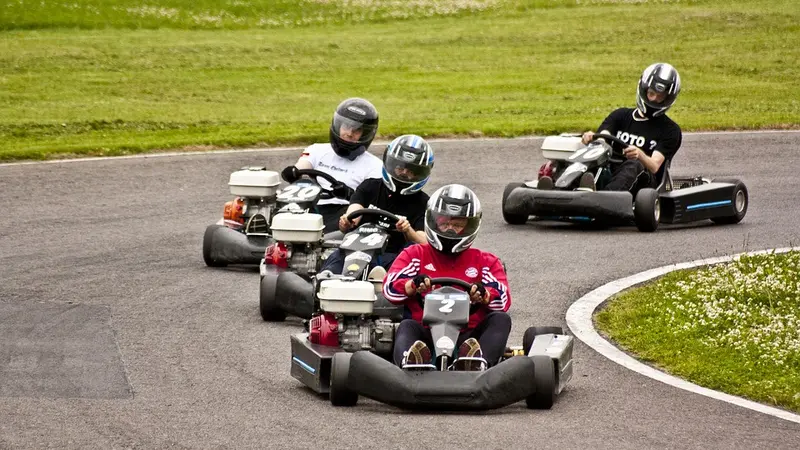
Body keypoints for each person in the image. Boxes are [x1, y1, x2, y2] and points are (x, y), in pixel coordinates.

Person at [382, 184, 512, 371]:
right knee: (406, 325)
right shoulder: (415, 255)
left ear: (470, 226)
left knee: (500, 319)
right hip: (424, 334)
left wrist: (483, 295)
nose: (450, 230)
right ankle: (412, 365)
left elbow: (503, 301)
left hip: (469, 338)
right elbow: (390, 290)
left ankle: (477, 364)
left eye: (458, 225)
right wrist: (412, 285)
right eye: (445, 223)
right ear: (433, 222)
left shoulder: (485, 261)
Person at [542, 63, 683, 194]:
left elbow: (654, 166)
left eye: (660, 97)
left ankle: (604, 198)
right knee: (588, 156)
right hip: (611, 171)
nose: (653, 100)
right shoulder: (620, 115)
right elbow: (603, 137)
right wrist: (591, 138)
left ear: (668, 99)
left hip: (644, 185)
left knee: (633, 165)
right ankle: (557, 189)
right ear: (643, 89)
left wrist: (640, 154)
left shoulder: (670, 130)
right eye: (651, 93)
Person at [318, 134, 434, 274]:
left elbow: (423, 242)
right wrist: (347, 222)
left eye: (410, 171)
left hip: (394, 256)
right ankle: (325, 280)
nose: (403, 174)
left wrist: (408, 230)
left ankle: (381, 283)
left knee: (406, 264)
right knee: (336, 259)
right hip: (354, 252)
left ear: (420, 174)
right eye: (399, 168)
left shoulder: (423, 203)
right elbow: (354, 212)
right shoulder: (370, 187)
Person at [280, 97, 383, 232]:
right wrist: (293, 172)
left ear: (366, 134)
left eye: (356, 130)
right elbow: (302, 166)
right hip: (310, 206)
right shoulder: (316, 150)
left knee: (355, 218)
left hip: (344, 213)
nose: (349, 133)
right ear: (338, 125)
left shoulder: (375, 166)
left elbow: (370, 200)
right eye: (346, 126)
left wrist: (349, 194)